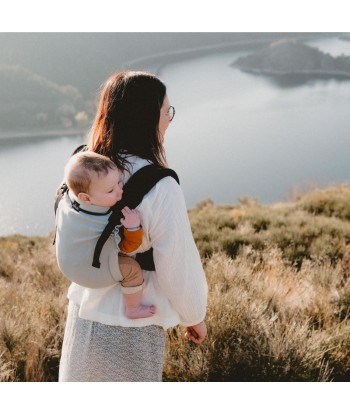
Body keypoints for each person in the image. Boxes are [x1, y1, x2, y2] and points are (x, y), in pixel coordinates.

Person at [57, 70, 207, 382]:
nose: (169, 119)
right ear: (146, 119)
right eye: (167, 112)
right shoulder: (159, 185)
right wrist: (194, 315)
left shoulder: (83, 166)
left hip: (84, 310)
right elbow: (176, 263)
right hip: (134, 321)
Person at [62, 150, 156, 319]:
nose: (120, 192)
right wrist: (133, 228)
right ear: (86, 198)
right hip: (88, 274)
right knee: (132, 269)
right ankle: (132, 309)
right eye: (111, 190)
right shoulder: (105, 220)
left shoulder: (69, 198)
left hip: (67, 263)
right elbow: (127, 248)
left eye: (119, 182)